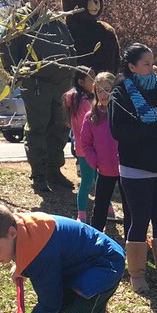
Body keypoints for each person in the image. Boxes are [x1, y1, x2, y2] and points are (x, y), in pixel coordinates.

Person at [110, 41, 157, 293]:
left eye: (152, 62)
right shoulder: (120, 93)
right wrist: (155, 130)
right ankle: (138, 275)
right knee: (140, 219)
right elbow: (119, 130)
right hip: (136, 167)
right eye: (145, 63)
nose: (151, 67)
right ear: (132, 67)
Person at [0, 0, 76, 193]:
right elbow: (7, 49)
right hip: (36, 84)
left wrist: (72, 74)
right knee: (37, 128)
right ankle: (39, 174)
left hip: (60, 85)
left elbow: (71, 49)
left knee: (60, 128)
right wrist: (20, 75)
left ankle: (54, 170)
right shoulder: (20, 19)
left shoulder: (55, 20)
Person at [78, 72, 125, 232]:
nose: (103, 94)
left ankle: (133, 241)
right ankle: (95, 239)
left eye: (107, 89)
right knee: (100, 208)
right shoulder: (91, 117)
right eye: (99, 91)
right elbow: (85, 143)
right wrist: (95, 160)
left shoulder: (123, 112)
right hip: (104, 170)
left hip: (125, 169)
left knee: (130, 207)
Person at [59, 0, 119, 74]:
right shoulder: (61, 29)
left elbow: (114, 64)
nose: (95, 2)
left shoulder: (105, 31)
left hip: (100, 86)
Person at [64, 66, 97, 223]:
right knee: (89, 182)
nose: (95, 81)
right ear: (81, 81)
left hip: (82, 148)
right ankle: (81, 215)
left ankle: (107, 210)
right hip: (90, 148)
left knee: (95, 181)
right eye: (91, 78)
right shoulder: (85, 103)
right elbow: (93, 125)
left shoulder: (75, 100)